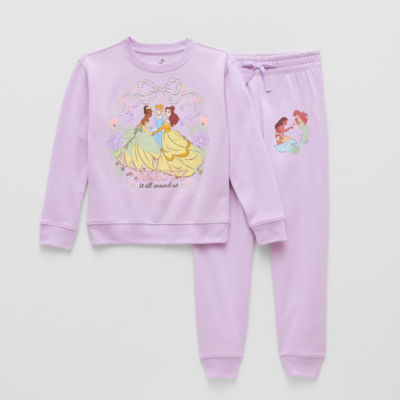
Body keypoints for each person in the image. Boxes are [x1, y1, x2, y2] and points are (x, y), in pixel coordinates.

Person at [152, 106, 204, 177]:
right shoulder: (165, 120)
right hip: (167, 135)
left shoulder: (167, 121)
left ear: (171, 113)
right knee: (168, 150)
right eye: (166, 111)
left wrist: (155, 132)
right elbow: (161, 127)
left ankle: (187, 164)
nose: (166, 113)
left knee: (176, 148)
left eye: (168, 112)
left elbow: (161, 128)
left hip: (169, 135)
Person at [120, 105, 160, 171]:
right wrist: (150, 133)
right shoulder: (144, 119)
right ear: (147, 113)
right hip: (142, 134)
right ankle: (145, 161)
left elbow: (144, 127)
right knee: (143, 146)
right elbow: (143, 128)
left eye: (150, 113)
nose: (151, 114)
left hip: (143, 133)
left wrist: (150, 129)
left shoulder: (146, 119)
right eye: (150, 113)